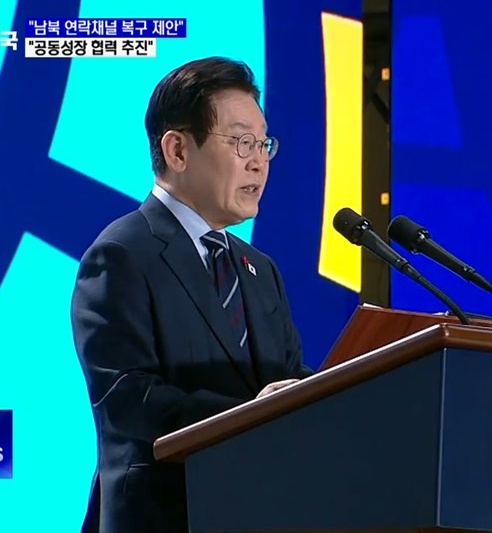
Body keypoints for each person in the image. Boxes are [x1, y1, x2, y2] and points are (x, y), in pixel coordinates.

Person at [71, 56, 313, 533]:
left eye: (263, 143)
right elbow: (127, 398)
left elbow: (287, 379)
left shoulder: (259, 270)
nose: (259, 161)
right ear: (178, 150)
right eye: (241, 142)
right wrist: (251, 414)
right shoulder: (121, 254)